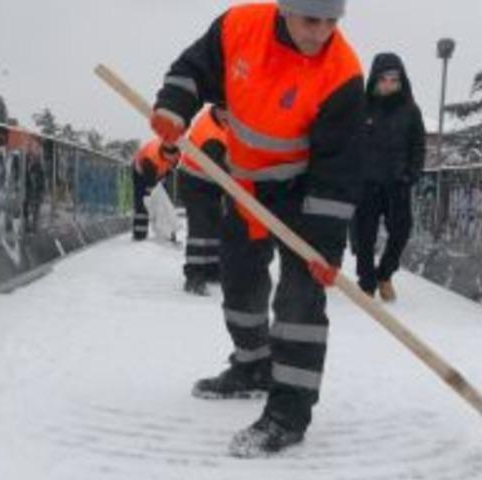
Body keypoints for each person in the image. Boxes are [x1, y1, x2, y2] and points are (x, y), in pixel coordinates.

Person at [150, 0, 364, 457]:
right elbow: (192, 69)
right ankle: (252, 366)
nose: (321, 33)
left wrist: (323, 249)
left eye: (332, 21)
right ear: (286, 9)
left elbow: (338, 170)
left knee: (299, 300)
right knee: (239, 280)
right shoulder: (240, 27)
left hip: (302, 191)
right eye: (311, 19)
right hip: (244, 183)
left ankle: (289, 413)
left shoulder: (342, 73)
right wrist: (173, 107)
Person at [351, 52, 426, 301]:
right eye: (383, 79)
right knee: (364, 236)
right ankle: (366, 282)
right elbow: (349, 141)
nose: (389, 84)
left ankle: (384, 274)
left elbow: (418, 146)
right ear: (374, 79)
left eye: (394, 79)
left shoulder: (411, 110)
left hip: (397, 183)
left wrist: (410, 175)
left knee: (401, 232)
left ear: (401, 80)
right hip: (366, 184)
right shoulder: (361, 107)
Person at [177, 105, 228, 296]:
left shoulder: (226, 121)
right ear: (218, 109)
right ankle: (194, 275)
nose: (230, 117)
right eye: (227, 112)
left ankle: (212, 270)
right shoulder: (209, 135)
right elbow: (223, 170)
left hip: (211, 184)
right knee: (200, 227)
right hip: (194, 182)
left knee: (215, 224)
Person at [131, 138, 178, 241]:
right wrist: (153, 193)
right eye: (169, 157)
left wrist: (163, 179)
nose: (172, 159)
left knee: (164, 202)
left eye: (174, 157)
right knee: (143, 201)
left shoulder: (176, 155)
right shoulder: (150, 158)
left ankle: (168, 232)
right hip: (141, 173)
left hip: (158, 173)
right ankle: (139, 234)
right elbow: (151, 186)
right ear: (164, 152)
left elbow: (170, 170)